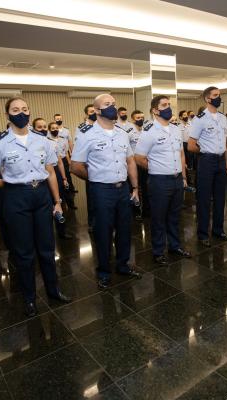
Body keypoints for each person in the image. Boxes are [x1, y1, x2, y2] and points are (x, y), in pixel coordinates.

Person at [0, 97, 71, 316]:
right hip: (16, 197)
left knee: (47, 248)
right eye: (15, 110)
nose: (21, 113)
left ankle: (53, 290)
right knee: (24, 252)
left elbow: (50, 172)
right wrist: (12, 183)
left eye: (24, 109)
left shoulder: (42, 140)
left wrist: (57, 202)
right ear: (7, 115)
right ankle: (30, 298)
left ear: (29, 112)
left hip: (41, 195)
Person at [71, 94, 142, 289]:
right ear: (96, 110)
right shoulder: (87, 134)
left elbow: (130, 161)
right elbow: (76, 166)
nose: (112, 107)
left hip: (123, 188)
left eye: (114, 104)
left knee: (125, 229)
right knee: (103, 232)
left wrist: (135, 187)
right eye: (107, 104)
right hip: (101, 190)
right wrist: (95, 177)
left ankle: (123, 265)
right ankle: (103, 271)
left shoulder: (121, 133)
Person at [135, 95, 191, 265]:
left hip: (176, 180)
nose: (168, 108)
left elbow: (181, 154)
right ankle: (158, 251)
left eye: (169, 104)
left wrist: (183, 177)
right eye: (164, 105)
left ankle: (175, 246)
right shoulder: (149, 130)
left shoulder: (174, 129)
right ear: (155, 110)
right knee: (158, 218)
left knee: (175, 216)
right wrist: (155, 168)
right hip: (159, 181)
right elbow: (138, 157)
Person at [188, 86, 227, 247]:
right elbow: (191, 145)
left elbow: (224, 144)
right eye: (215, 95)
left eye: (219, 94)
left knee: (221, 197)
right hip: (206, 161)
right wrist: (205, 152)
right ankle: (203, 233)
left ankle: (218, 230)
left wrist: (226, 163)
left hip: (221, 161)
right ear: (207, 99)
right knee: (204, 199)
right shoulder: (200, 118)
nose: (218, 97)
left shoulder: (222, 118)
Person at [75, 104, 97, 231]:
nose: (94, 113)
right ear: (87, 114)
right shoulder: (82, 129)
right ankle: (92, 222)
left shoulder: (101, 126)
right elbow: (80, 149)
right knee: (92, 196)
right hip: (89, 166)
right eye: (91, 111)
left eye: (95, 111)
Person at [129, 110, 148, 220]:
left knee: (146, 188)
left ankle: (146, 210)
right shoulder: (129, 132)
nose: (140, 119)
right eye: (138, 118)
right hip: (134, 164)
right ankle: (136, 212)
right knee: (135, 188)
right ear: (132, 119)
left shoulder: (146, 131)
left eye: (142, 117)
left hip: (144, 163)